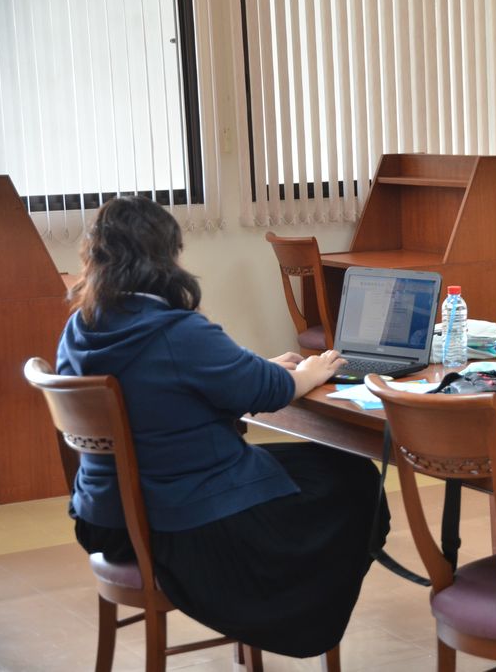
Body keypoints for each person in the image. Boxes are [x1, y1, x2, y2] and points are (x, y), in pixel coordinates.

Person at [57, 196, 387, 658]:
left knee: (316, 469)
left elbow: (169, 391)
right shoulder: (174, 330)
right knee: (354, 478)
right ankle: (299, 620)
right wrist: (309, 373)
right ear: (164, 257)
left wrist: (257, 370)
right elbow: (270, 390)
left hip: (106, 518)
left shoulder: (81, 328)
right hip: (180, 521)